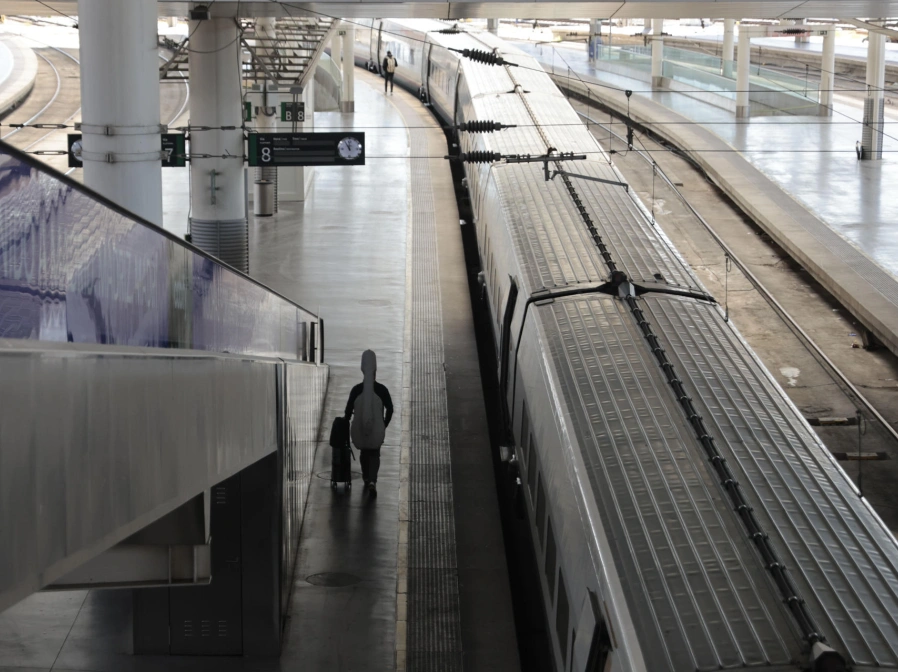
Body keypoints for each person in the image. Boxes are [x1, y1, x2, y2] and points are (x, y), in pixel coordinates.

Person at [344, 350, 393, 496]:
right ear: (375, 369)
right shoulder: (382, 390)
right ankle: (372, 480)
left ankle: (366, 476)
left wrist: (347, 423)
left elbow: (347, 411)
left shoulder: (356, 390)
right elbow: (390, 409)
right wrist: (384, 424)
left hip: (359, 430)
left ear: (362, 369)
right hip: (377, 430)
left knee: (364, 453)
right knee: (375, 454)